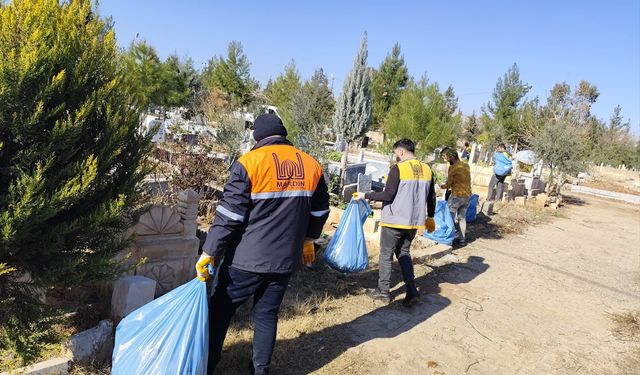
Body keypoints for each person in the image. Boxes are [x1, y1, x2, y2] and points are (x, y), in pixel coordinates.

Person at [195, 113, 330, 375]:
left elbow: (229, 217)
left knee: (220, 312)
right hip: (284, 260)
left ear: (257, 135)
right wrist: (309, 240)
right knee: (267, 315)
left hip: (245, 260)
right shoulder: (311, 165)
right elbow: (320, 211)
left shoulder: (249, 163)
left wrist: (209, 251)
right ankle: (259, 370)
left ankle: (207, 366)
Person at [355, 139, 436, 307]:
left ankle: (383, 292)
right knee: (404, 253)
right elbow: (431, 197)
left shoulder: (398, 168)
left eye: (395, 153)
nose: (395, 157)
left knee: (386, 254)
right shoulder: (428, 170)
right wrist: (431, 217)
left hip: (394, 220)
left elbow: (388, 195)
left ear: (401, 152)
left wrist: (365, 195)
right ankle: (412, 291)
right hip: (414, 223)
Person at [440, 147, 472, 246]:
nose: (445, 159)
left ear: (450, 156)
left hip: (456, 196)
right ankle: (462, 240)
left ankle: (448, 240)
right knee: (462, 218)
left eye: (445, 157)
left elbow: (449, 184)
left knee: (449, 217)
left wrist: (441, 186)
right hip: (467, 195)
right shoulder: (466, 165)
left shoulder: (453, 168)